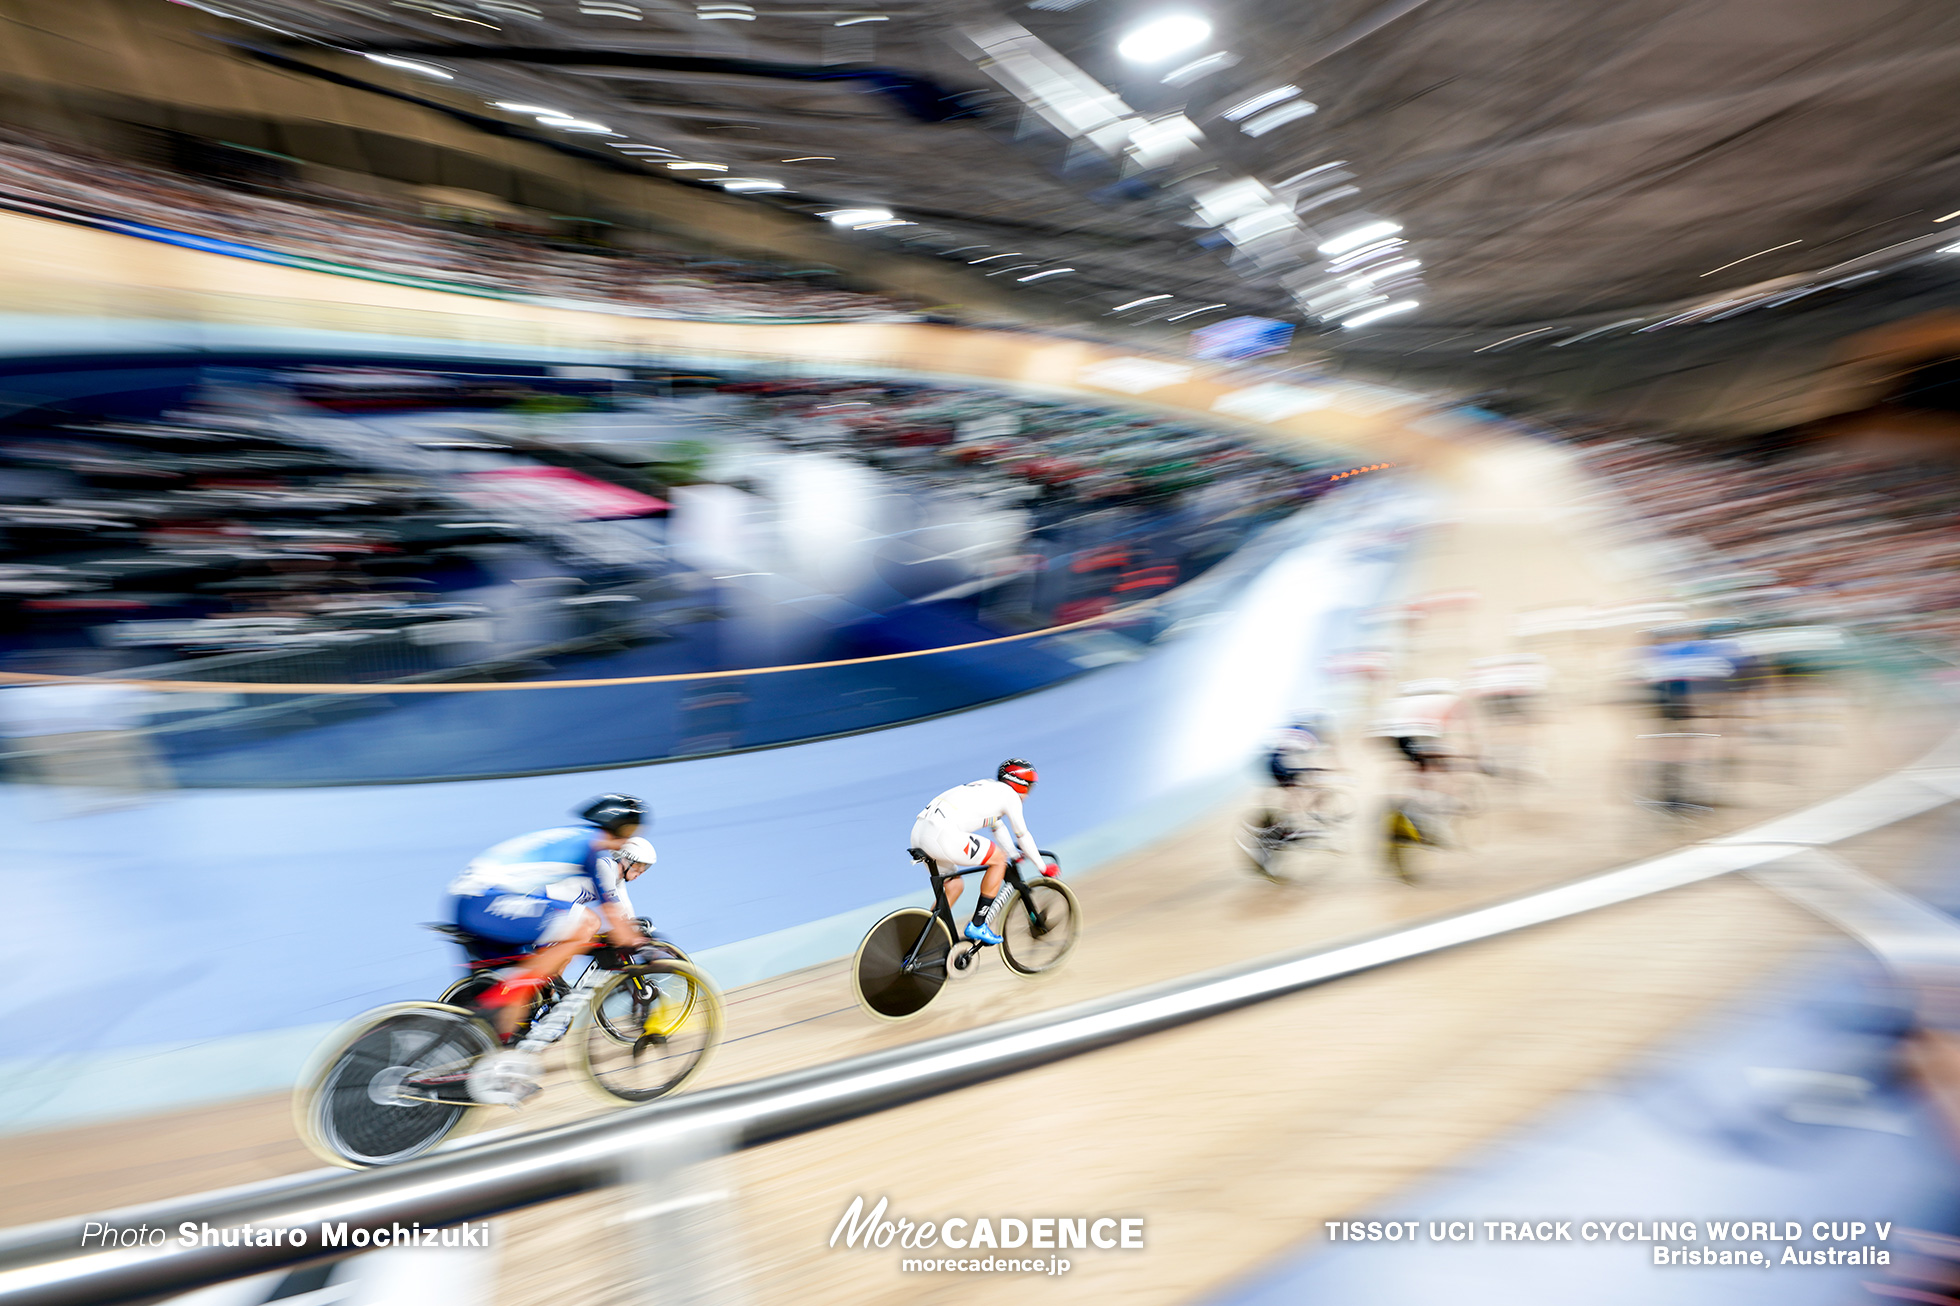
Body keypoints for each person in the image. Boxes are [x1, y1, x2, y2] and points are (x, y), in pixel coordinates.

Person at [447, 794, 654, 1046]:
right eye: (631, 830)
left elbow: (621, 908)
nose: (630, 837)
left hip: (475, 900)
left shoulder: (581, 841)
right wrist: (644, 946)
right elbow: (613, 914)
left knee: (520, 986)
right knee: (587, 924)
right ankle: (508, 997)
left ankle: (500, 1061)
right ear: (620, 828)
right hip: (487, 899)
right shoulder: (595, 852)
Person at [911, 759, 1045, 947]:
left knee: (954, 886)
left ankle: (921, 943)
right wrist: (1043, 867)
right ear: (1020, 785)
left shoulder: (988, 788)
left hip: (919, 833)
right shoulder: (1010, 796)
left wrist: (1014, 854)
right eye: (1029, 788)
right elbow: (1022, 834)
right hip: (943, 835)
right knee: (999, 860)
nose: (1028, 795)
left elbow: (997, 826)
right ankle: (978, 924)